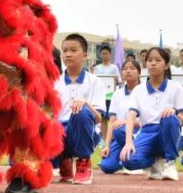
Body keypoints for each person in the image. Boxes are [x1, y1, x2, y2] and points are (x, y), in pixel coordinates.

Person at [120, 48, 183, 180]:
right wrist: (128, 142)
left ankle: (170, 163)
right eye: (149, 60)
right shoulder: (138, 90)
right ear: (145, 64)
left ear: (166, 65)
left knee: (169, 118)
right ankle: (155, 162)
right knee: (127, 160)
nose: (153, 63)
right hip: (146, 132)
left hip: (169, 131)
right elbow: (131, 117)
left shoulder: (175, 87)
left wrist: (174, 111)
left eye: (158, 60)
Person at [54, 34, 105, 185]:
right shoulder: (54, 82)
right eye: (65, 50)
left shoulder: (95, 82)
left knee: (81, 112)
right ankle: (64, 160)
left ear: (85, 54)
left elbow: (99, 119)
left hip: (85, 131)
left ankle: (83, 163)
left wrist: (86, 104)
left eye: (73, 50)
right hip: (60, 131)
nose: (68, 54)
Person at [99, 59, 142, 174]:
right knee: (106, 167)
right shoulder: (117, 94)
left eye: (132, 68)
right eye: (125, 69)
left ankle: (136, 162)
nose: (128, 71)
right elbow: (111, 121)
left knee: (118, 129)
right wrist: (106, 146)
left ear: (139, 73)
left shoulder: (144, 92)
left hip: (139, 134)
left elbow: (147, 122)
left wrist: (126, 122)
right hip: (120, 135)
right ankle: (125, 161)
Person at [93, 44, 121, 141]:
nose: (105, 55)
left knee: (112, 118)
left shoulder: (114, 68)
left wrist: (116, 79)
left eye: (107, 53)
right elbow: (94, 82)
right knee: (103, 119)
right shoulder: (97, 68)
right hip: (100, 96)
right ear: (100, 55)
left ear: (110, 55)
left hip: (111, 96)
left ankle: (112, 138)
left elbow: (119, 82)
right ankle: (103, 140)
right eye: (103, 53)